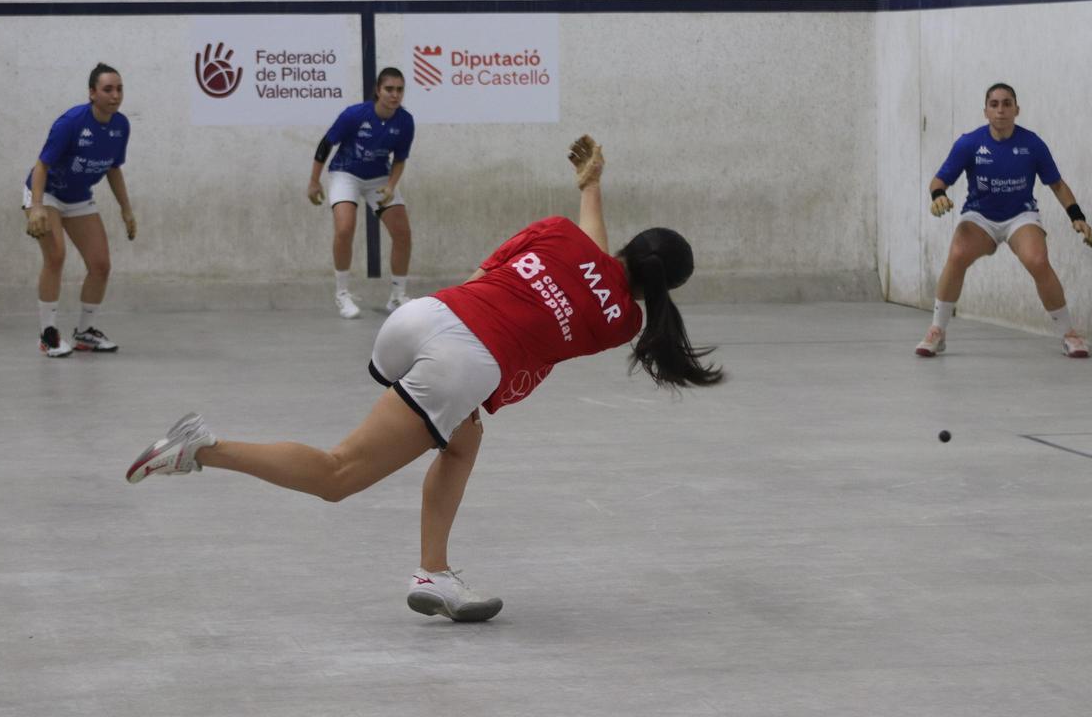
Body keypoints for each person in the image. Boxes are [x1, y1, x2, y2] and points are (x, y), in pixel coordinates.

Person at [127, 135, 724, 622]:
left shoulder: (559, 231)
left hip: (422, 318)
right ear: (664, 287)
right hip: (463, 362)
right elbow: (603, 281)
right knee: (339, 475)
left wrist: (592, 186)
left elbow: (589, 255)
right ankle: (203, 449)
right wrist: (593, 192)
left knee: (464, 441)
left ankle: (434, 571)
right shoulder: (623, 322)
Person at [916, 83, 1092, 359]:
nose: (1001, 110)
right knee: (958, 252)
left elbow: (1057, 184)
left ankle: (1069, 333)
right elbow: (939, 180)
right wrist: (938, 195)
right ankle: (937, 331)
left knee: (1038, 260)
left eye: (1007, 103)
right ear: (985, 111)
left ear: (1016, 109)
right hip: (980, 216)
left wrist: (1077, 217)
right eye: (994, 104)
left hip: (1020, 215)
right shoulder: (969, 143)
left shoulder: (1032, 144)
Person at [24, 63, 137, 357]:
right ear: (92, 93)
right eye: (107, 89)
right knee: (56, 255)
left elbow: (113, 169)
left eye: (119, 89)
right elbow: (42, 165)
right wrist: (36, 206)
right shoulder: (71, 122)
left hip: (77, 198)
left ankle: (85, 334)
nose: (115, 95)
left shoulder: (121, 125)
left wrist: (126, 210)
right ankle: (48, 334)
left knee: (100, 265)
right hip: (45, 193)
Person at [307, 67, 415, 319]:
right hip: (346, 174)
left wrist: (390, 186)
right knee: (345, 229)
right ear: (378, 90)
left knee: (402, 233)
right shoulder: (354, 115)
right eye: (389, 89)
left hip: (378, 178)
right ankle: (342, 294)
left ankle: (397, 297)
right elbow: (326, 144)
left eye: (400, 90)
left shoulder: (405, 121)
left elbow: (399, 159)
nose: (395, 95)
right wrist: (314, 181)